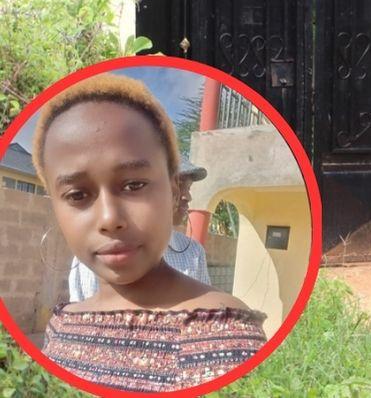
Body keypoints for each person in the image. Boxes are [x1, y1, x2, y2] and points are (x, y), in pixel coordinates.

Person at [33, 74, 266, 392]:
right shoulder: (61, 326)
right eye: (77, 195)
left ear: (173, 190)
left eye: (134, 185)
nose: (109, 219)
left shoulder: (224, 335)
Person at [68, 158, 212, 301]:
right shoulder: (96, 254)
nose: (187, 197)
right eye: (179, 185)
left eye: (188, 188)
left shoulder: (192, 253)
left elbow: (205, 312)